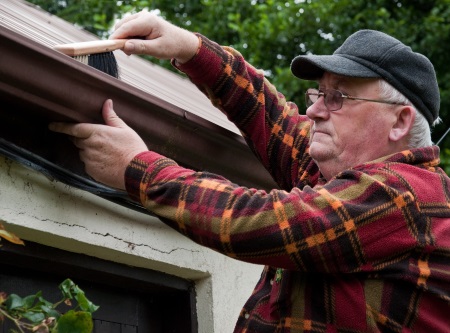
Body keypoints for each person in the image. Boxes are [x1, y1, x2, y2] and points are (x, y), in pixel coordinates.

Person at [49, 11, 450, 333]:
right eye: (318, 94)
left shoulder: (406, 194)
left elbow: (263, 222)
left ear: (399, 123)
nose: (314, 109)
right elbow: (271, 117)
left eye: (337, 97)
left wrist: (137, 170)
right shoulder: (336, 181)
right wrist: (190, 48)